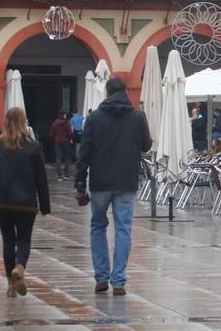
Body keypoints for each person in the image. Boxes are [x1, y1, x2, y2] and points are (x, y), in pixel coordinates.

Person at [75, 77, 152, 296]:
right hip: (127, 181)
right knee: (123, 229)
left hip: (100, 181)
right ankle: (118, 281)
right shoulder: (138, 116)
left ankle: (101, 277)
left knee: (98, 226)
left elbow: (84, 153)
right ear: (126, 91)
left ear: (107, 93)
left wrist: (80, 182)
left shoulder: (94, 118)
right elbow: (146, 145)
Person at [0, 107, 50, 298]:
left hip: (2, 201)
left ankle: (11, 285)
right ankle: (19, 268)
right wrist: (45, 205)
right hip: (26, 202)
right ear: (23, 122)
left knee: (8, 240)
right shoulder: (34, 147)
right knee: (24, 239)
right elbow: (41, 178)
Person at [50, 111, 74, 180]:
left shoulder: (55, 123)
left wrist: (55, 138)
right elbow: (70, 133)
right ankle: (66, 175)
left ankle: (59, 176)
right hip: (66, 141)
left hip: (57, 142)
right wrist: (70, 138)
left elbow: (51, 133)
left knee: (58, 158)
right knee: (66, 158)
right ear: (64, 115)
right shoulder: (67, 123)